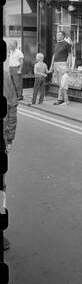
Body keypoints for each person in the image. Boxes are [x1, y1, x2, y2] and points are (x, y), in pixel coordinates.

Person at [2, 67, 18, 251]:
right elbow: (12, 107)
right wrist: (10, 138)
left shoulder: (5, 75)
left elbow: (12, 106)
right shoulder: (5, 74)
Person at [49, 31, 72, 105]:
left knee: (62, 83)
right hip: (56, 64)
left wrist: (69, 66)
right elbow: (54, 55)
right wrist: (51, 66)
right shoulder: (56, 44)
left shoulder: (67, 44)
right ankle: (62, 98)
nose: (57, 36)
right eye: (56, 35)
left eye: (58, 35)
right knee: (59, 83)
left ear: (63, 36)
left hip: (63, 64)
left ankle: (60, 99)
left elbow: (70, 55)